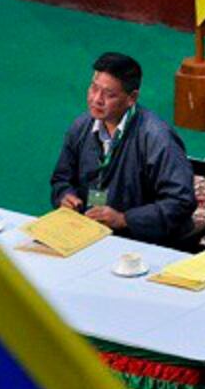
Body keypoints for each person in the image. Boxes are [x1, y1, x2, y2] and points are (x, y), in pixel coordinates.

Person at [51, 53, 196, 245]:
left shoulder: (157, 138)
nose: (96, 99)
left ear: (131, 98)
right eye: (94, 88)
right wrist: (64, 196)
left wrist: (124, 219)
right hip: (90, 233)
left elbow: (181, 201)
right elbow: (61, 179)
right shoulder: (81, 127)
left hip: (145, 240)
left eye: (109, 94)